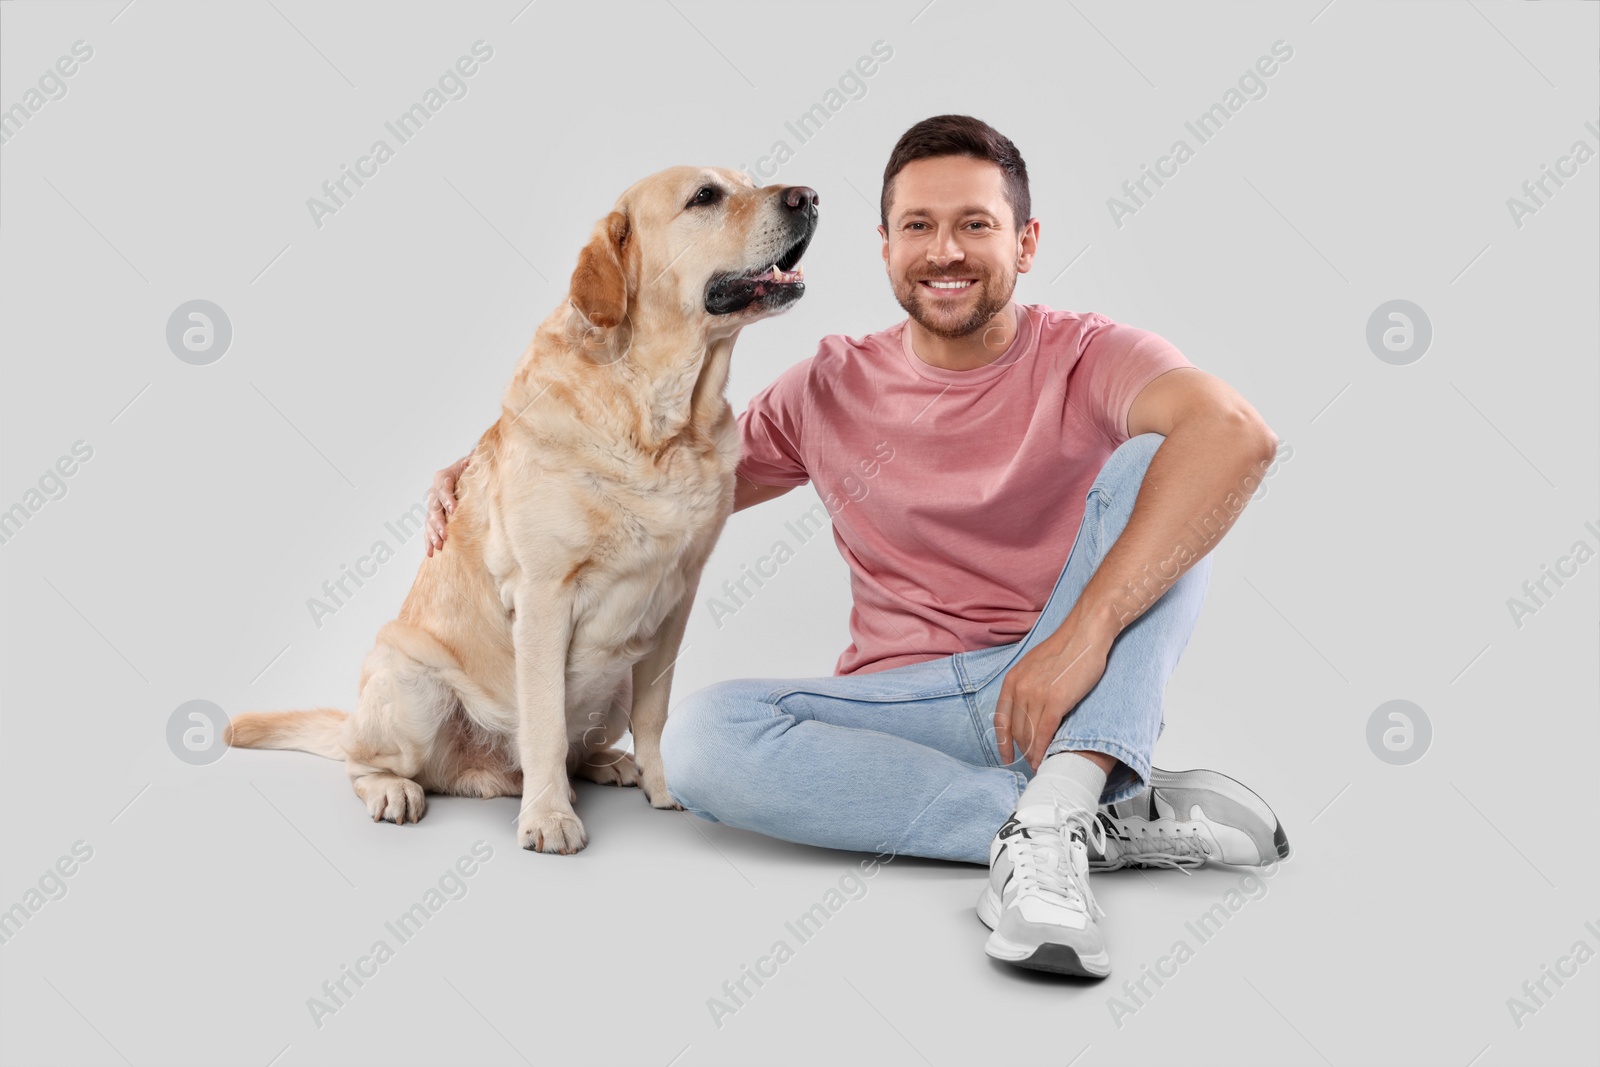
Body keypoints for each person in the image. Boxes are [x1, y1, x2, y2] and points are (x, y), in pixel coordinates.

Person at [426, 115, 1290, 979]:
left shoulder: (1091, 354)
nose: (943, 251)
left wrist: (1081, 638)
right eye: (918, 226)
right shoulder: (829, 385)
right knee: (698, 742)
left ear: (1026, 243)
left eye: (975, 225)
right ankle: (1074, 810)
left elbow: (1236, 434)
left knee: (1172, 463)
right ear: (885, 247)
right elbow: (658, 475)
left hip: (1064, 682)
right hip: (900, 717)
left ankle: (1056, 813)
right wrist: (494, 465)